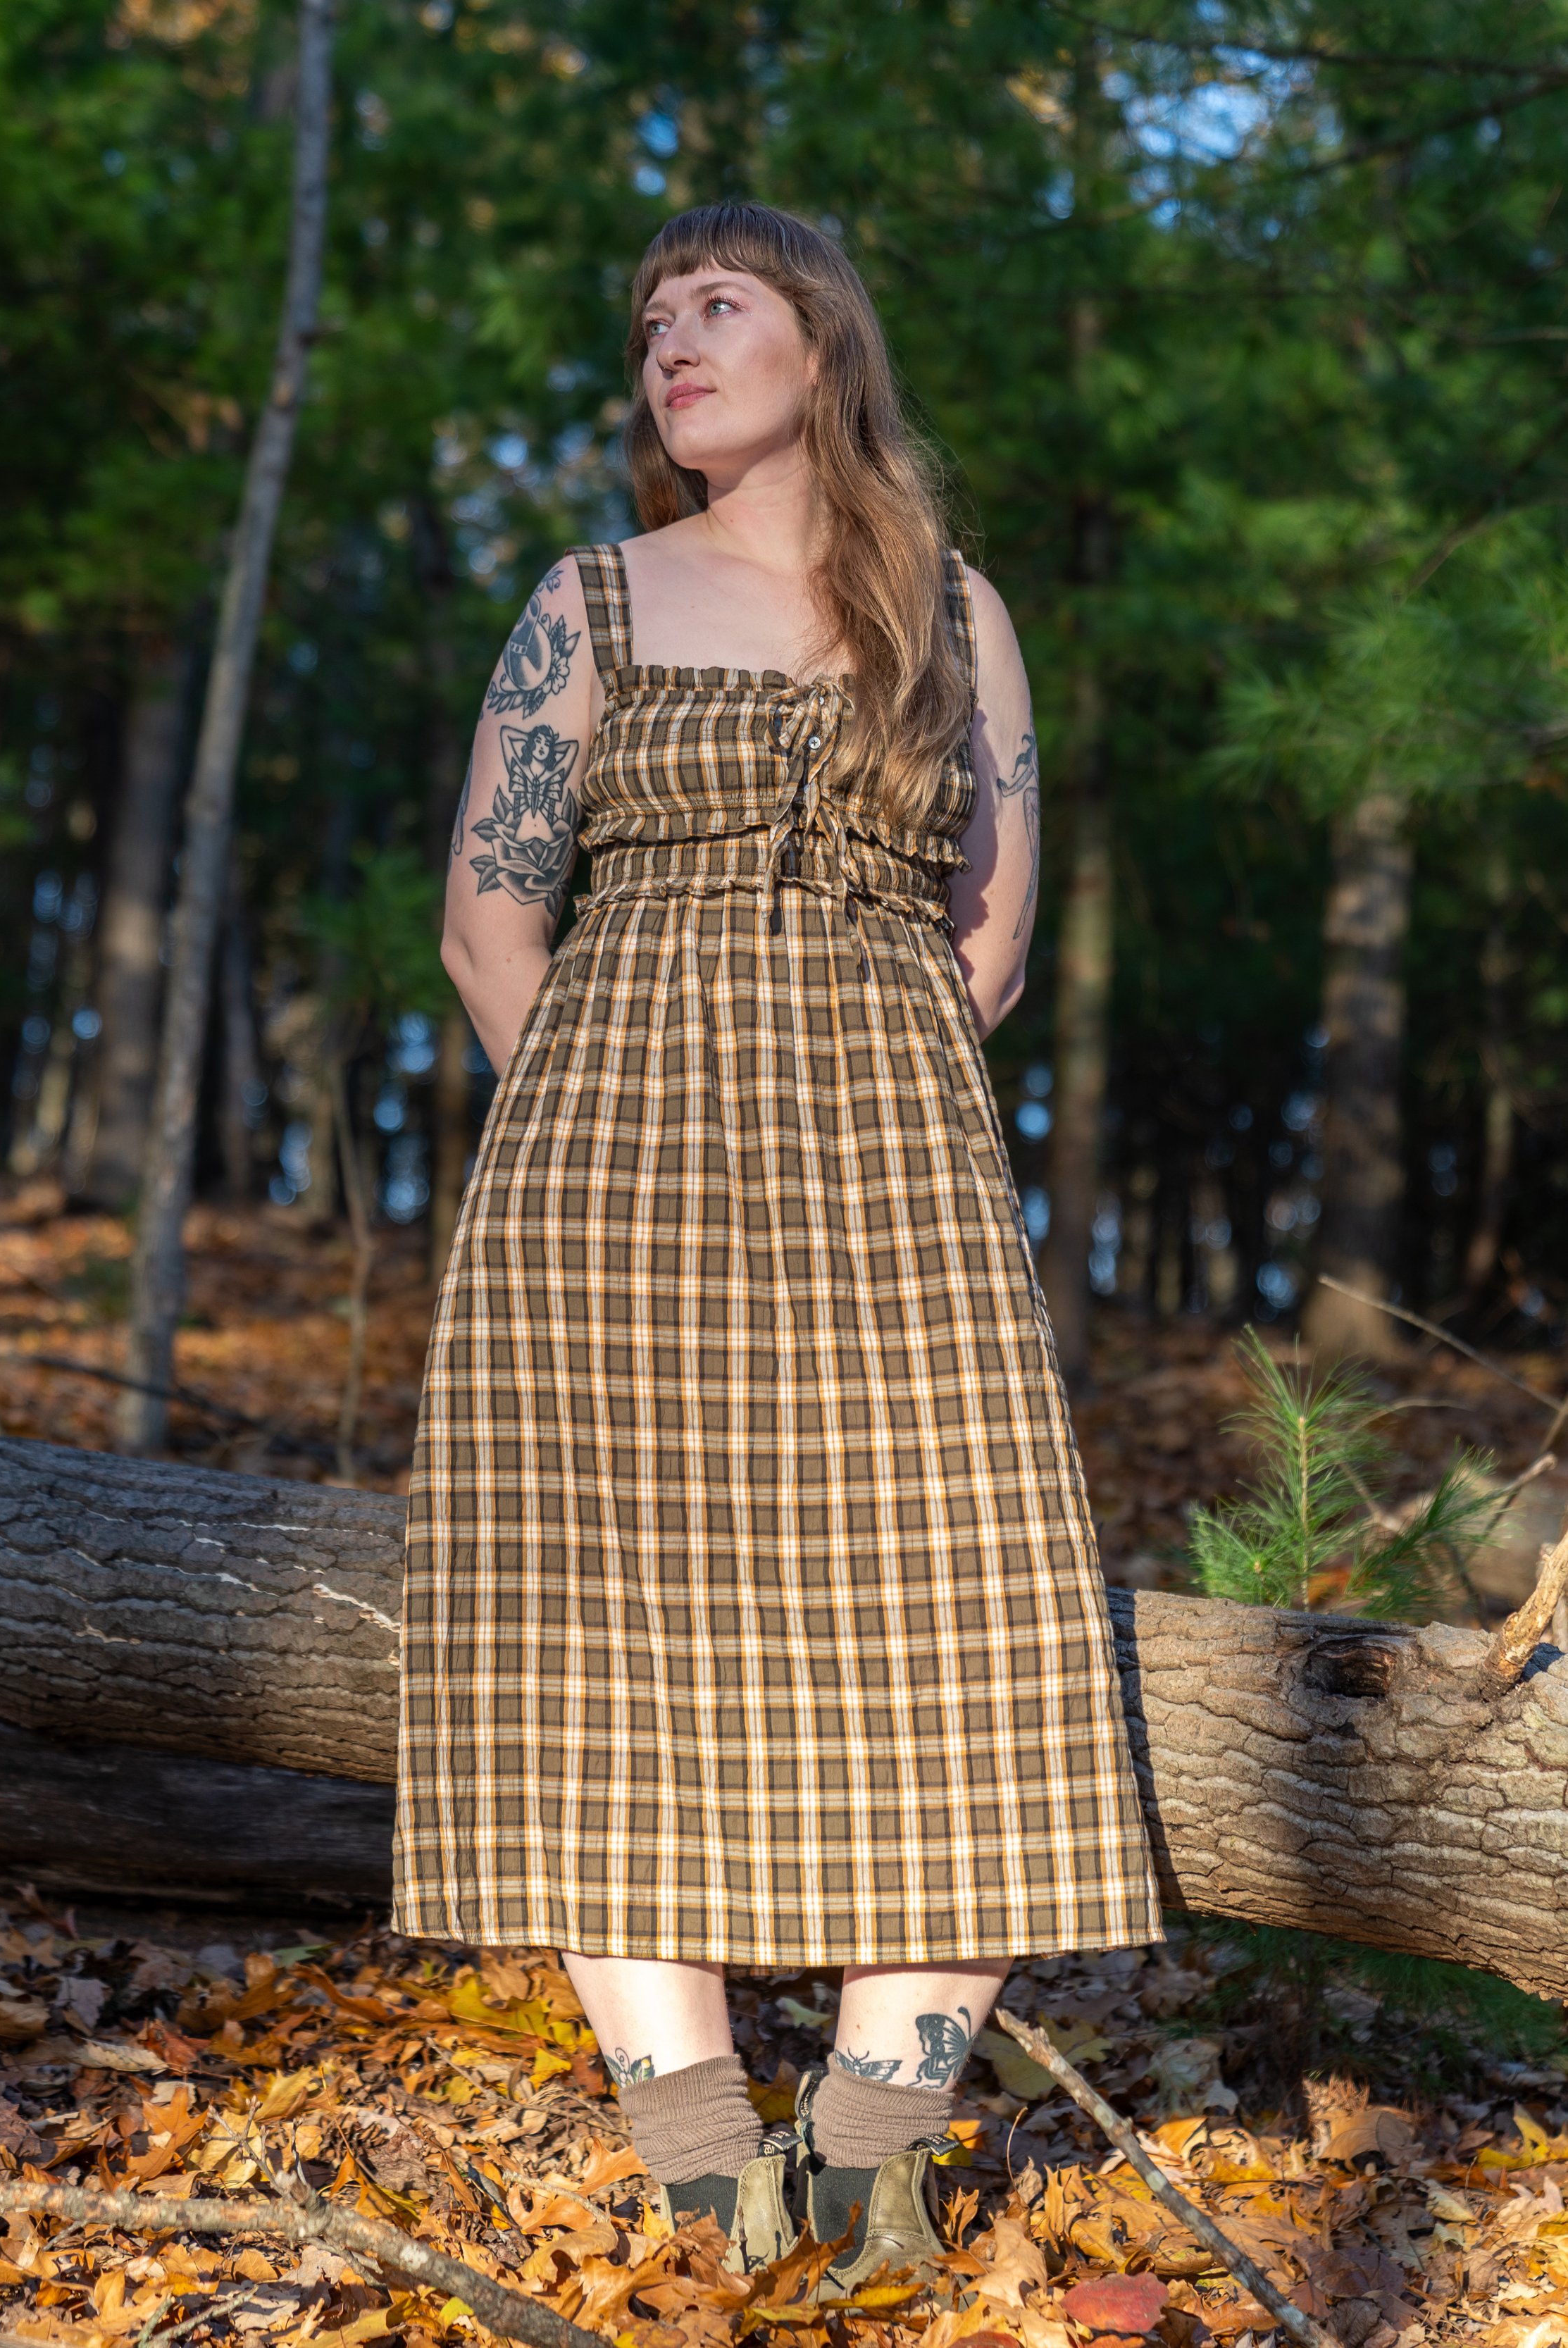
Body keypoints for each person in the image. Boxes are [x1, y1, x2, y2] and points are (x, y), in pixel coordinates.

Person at [392, 202, 1160, 2290]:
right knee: (594, 1621)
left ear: (824, 343)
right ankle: (701, 2150)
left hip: (884, 1161)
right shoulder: (588, 603)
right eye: (648, 320)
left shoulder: (953, 609)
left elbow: (985, 931)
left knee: (965, 1589)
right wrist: (602, 1118)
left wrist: (846, 1083)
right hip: (600, 1165)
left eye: (713, 305)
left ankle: (878, 2122)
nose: (669, 342)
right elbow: (487, 908)